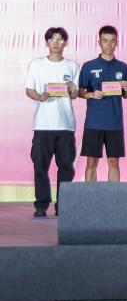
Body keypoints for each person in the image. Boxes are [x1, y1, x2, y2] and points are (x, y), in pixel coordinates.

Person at [25, 27, 78, 217]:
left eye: (60, 39)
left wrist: (72, 89)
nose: (56, 43)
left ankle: (62, 205)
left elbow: (75, 95)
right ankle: (41, 205)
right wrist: (39, 96)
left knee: (66, 167)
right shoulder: (36, 64)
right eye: (52, 39)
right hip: (43, 125)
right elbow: (29, 89)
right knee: (40, 166)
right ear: (47, 42)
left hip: (65, 125)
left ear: (65, 43)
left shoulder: (72, 66)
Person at [77, 25, 127, 182]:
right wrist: (91, 94)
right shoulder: (89, 66)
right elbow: (80, 92)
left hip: (114, 123)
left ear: (116, 42)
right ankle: (89, 195)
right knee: (91, 162)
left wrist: (126, 89)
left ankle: (113, 196)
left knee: (114, 162)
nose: (109, 44)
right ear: (99, 42)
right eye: (105, 41)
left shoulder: (123, 67)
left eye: (112, 41)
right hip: (94, 122)